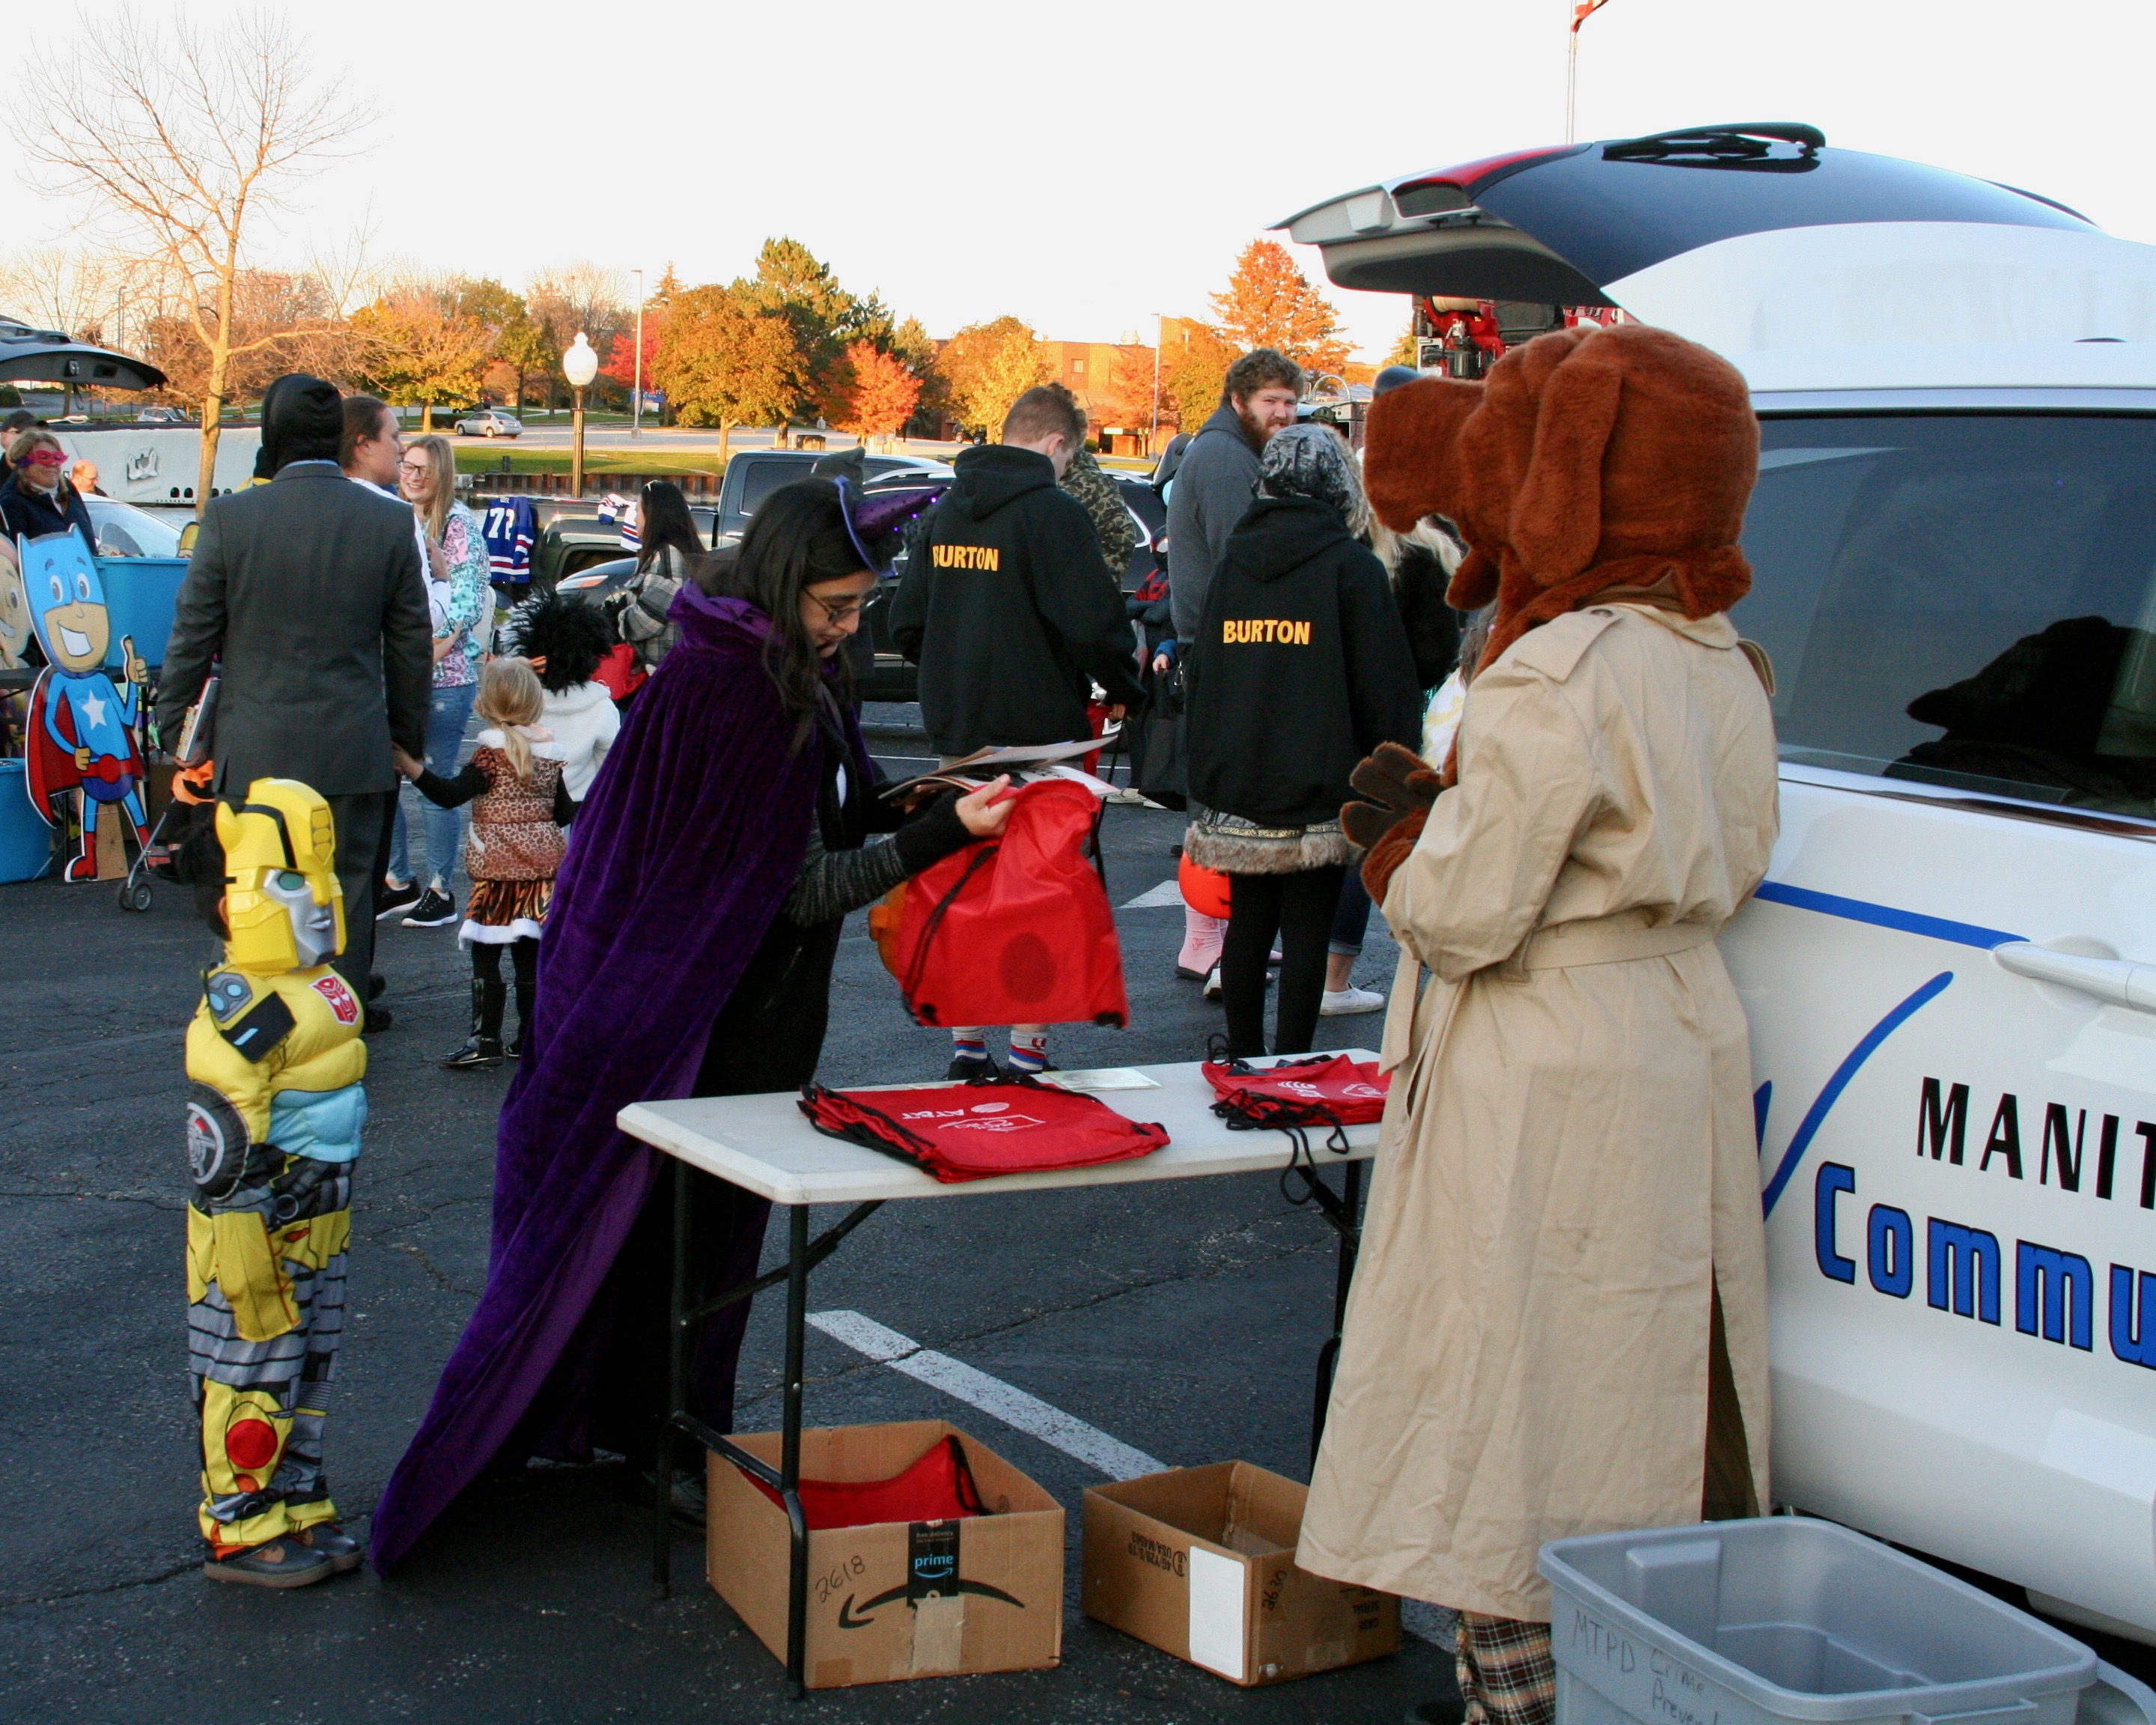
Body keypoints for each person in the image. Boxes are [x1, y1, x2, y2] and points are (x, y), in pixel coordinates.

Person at [368, 478, 1017, 1572]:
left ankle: (641, 1435)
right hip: (704, 1014)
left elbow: (803, 822)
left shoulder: (750, 660)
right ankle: (659, 1445)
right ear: (784, 582)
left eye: (859, 607)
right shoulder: (748, 690)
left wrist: (913, 797)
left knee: (670, 1236)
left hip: (683, 999)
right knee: (691, 1243)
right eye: (837, 607)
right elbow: (798, 890)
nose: (850, 626)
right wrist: (942, 831)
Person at [1294, 323, 1780, 1725]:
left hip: (1544, 1051)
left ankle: (1519, 1699)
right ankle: (1644, 1679)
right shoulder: (1722, 656)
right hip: (1677, 1024)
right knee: (1643, 1400)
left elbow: (1467, 909)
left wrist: (1400, 843)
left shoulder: (1555, 671)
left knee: (1516, 1413)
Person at [156, 374, 430, 1029]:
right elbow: (409, 647)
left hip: (255, 749)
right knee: (351, 893)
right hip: (354, 745)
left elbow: (192, 637)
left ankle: (267, 1021)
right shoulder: (388, 521)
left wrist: (179, 738)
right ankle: (339, 1019)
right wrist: (406, 740)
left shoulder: (229, 519)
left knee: (259, 888)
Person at [889, 383, 1145, 1077]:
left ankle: (966, 1046)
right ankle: (1028, 1049)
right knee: (1041, 890)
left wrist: (950, 664)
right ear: (1057, 445)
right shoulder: (1053, 514)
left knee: (967, 883)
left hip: (959, 729)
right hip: (1043, 733)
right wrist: (1129, 689)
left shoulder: (945, 514)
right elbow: (1094, 625)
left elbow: (905, 621)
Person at [1182, 425, 1421, 1058]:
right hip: (1321, 779)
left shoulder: (1235, 564)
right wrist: (1391, 775)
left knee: (1247, 926)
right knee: (1308, 931)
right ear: (1339, 485)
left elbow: (1204, 672)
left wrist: (1205, 769)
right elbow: (1384, 686)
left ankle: (1238, 1056)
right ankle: (1292, 1064)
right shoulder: (1353, 569)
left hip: (1239, 775)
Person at [183, 779, 368, 1587]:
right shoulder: (247, 1006)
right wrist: (247, 1216)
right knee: (251, 1367)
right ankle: (239, 1517)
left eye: (319, 882)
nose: (320, 901)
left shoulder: (315, 986)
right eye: (292, 884)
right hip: (258, 1224)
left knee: (310, 1367)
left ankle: (296, 1495)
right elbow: (225, 1130)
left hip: (321, 1213)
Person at [1161, 348, 1303, 982]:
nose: (1284, 413)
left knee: (1222, 797)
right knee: (1220, 800)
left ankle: (1219, 934)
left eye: (1290, 402)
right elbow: (1241, 555)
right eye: (1272, 401)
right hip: (1221, 644)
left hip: (1215, 639)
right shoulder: (1224, 457)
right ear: (1240, 400)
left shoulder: (1230, 450)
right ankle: (1205, 940)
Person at [396, 658, 573, 1068]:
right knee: (529, 958)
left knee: (486, 954)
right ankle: (528, 1039)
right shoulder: (549, 755)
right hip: (543, 873)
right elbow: (564, 812)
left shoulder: (489, 756)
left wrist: (410, 766)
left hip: (497, 873)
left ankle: (485, 1038)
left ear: (485, 705)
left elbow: (448, 795)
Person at [380, 435, 488, 931]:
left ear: (442, 472)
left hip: (445, 678)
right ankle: (399, 879)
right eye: (408, 465)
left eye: (424, 468)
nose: (414, 475)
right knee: (385, 778)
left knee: (432, 779)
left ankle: (442, 889)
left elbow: (463, 607)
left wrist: (422, 654)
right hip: (395, 672)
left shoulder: (458, 524)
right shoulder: (394, 517)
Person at [507, 590, 619, 806]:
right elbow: (610, 767)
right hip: (579, 807)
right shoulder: (601, 707)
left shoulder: (521, 700)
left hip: (525, 807)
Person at [609, 478, 702, 678]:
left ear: (653, 516)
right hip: (667, 673)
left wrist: (616, 618)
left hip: (662, 674)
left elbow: (649, 619)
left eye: (638, 511)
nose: (634, 519)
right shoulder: (668, 552)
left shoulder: (669, 555)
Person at [0, 428, 97, 545]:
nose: (53, 463)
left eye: (57, 457)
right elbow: (18, 554)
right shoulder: (12, 503)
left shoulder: (71, 499)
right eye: (44, 457)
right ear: (24, 463)